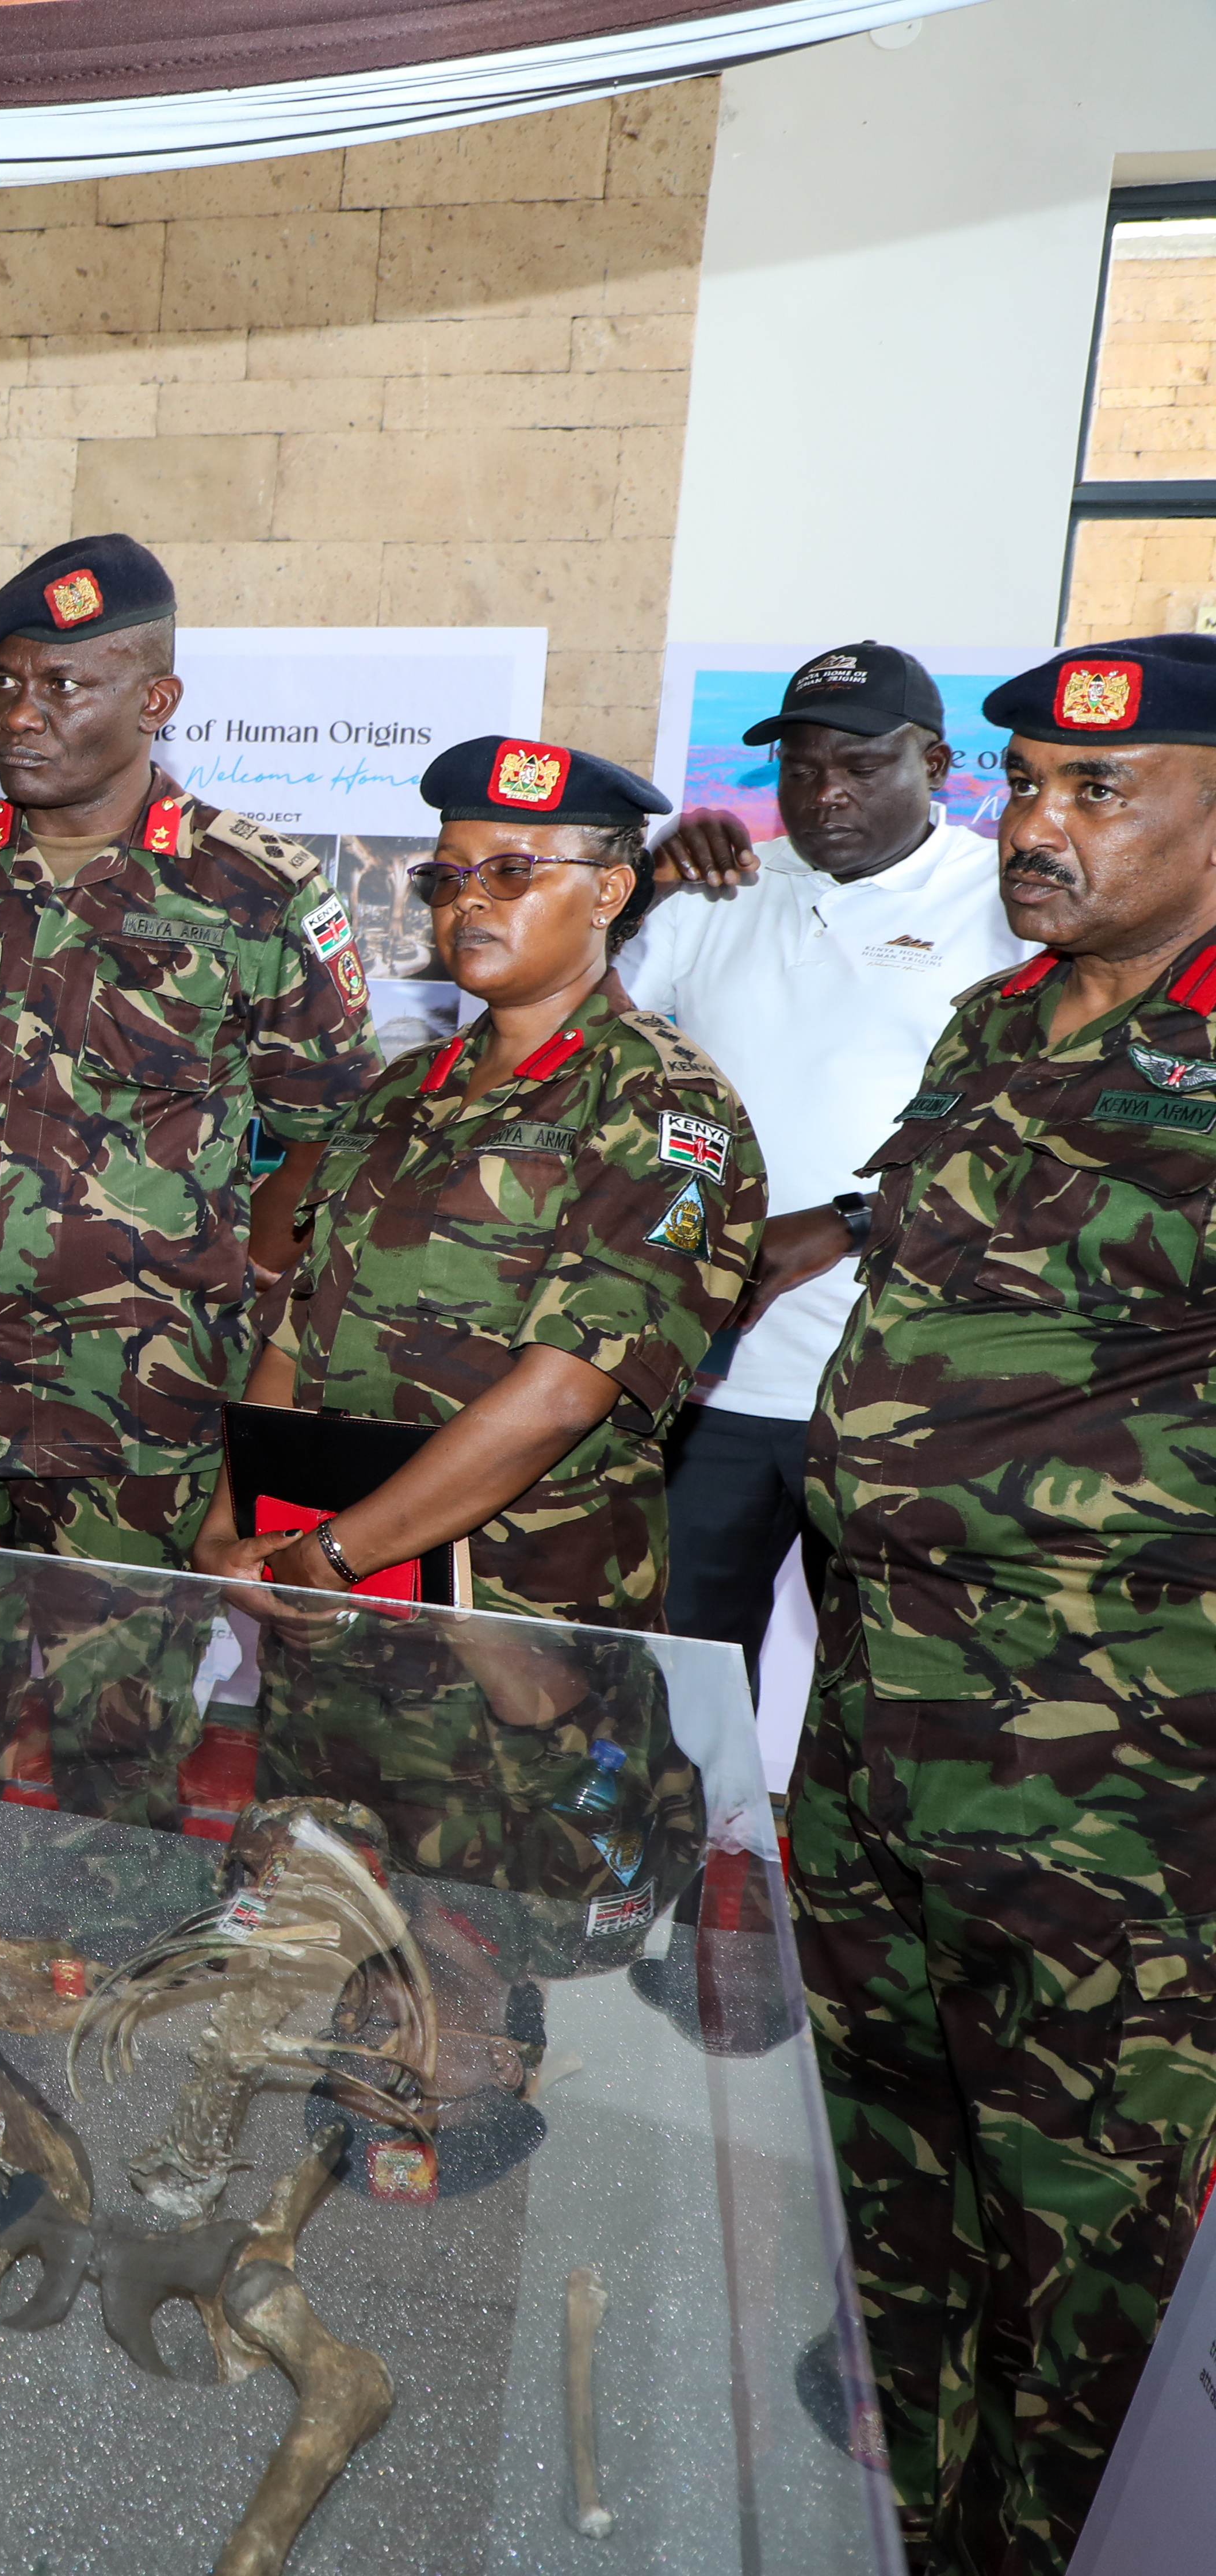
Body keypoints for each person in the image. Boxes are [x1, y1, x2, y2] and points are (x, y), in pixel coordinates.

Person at [791, 635, 1216, 2570]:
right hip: (884, 1738)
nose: (1033, 828)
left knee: (1083, 2258)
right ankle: (885, 2521)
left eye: (1096, 796)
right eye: (1026, 784)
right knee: (880, 2192)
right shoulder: (995, 1026)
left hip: (1107, 1800)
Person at [0, 534, 380, 1824]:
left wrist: (239, 1266)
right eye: (10, 684)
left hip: (140, 1406)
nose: (25, 714)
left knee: (117, 1740)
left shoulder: (255, 889)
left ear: (156, 700)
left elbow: (327, 1125)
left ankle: (93, 2000)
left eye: (65, 684)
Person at [192, 737, 764, 1624]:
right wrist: (234, 1529)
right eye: (448, 878)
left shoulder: (656, 1098)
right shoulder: (401, 1086)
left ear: (609, 891)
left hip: (518, 1614)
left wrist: (342, 1552)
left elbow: (569, 1388)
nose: (469, 904)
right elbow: (297, 1327)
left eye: (512, 873)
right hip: (325, 1590)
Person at [620, 643, 1024, 1672]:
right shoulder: (726, 890)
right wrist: (644, 881)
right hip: (707, 1385)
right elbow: (583, 1030)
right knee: (674, 1684)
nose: (826, 794)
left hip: (897, 1393)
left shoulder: (1010, 909)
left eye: (862, 767)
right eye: (801, 769)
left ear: (936, 765)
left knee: (886, 1700)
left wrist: (848, 1223)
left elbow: (1030, 1140)